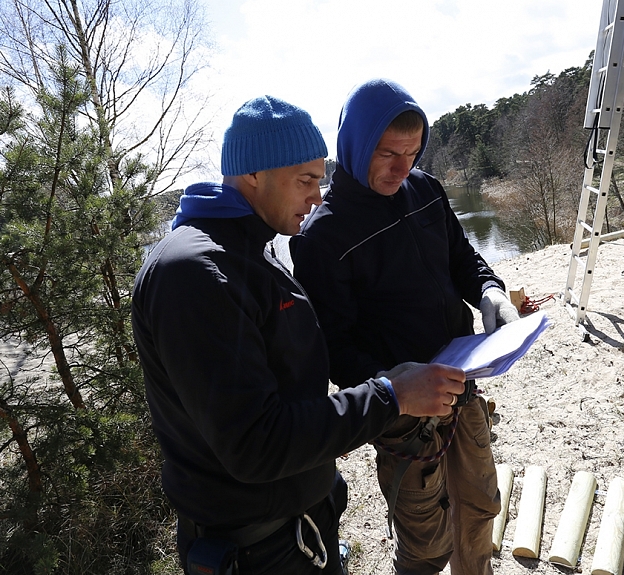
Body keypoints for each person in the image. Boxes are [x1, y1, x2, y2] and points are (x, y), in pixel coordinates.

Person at [130, 95, 467, 575]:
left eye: (321, 178)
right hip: (256, 550)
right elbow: (256, 444)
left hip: (299, 529)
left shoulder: (250, 250)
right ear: (253, 175)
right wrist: (391, 396)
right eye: (305, 180)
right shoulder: (194, 273)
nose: (318, 195)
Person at [290, 79, 521, 575]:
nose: (403, 167)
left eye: (413, 152)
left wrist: (491, 292)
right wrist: (396, 389)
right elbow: (334, 347)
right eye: (389, 153)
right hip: (405, 419)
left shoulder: (426, 189)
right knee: (426, 547)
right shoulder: (322, 236)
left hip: (463, 386)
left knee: (480, 509)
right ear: (354, 145)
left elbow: (464, 259)